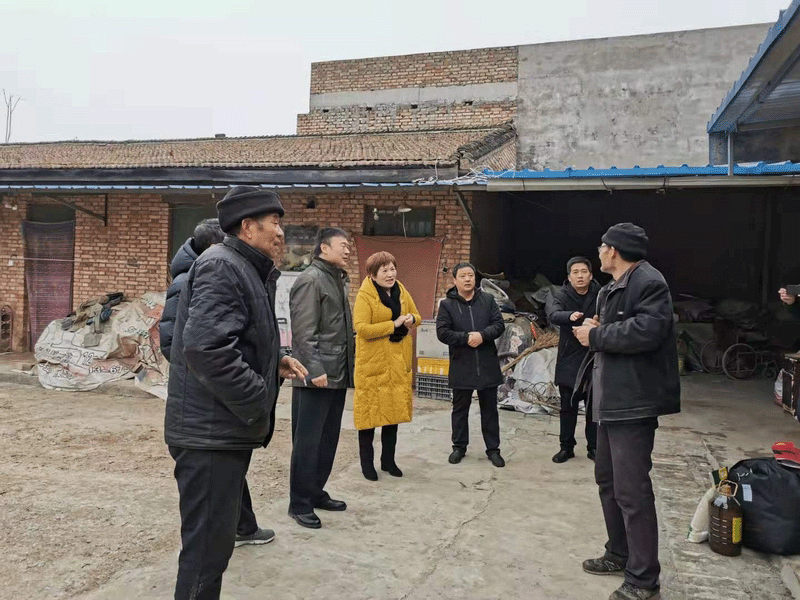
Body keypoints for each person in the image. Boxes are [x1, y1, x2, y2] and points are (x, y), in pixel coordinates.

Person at [164, 186, 307, 600]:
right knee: (205, 556)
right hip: (208, 435)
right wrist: (258, 397)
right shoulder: (222, 266)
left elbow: (237, 338)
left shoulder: (245, 267)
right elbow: (205, 349)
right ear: (247, 227)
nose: (281, 232)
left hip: (221, 430)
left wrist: (274, 361)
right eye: (274, 222)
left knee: (215, 549)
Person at [572, 223, 679, 600]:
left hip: (633, 402)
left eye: (602, 246)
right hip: (608, 400)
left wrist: (597, 335)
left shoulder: (649, 281)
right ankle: (618, 553)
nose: (599, 251)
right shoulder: (611, 288)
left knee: (633, 491)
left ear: (614, 250)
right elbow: (619, 327)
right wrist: (597, 327)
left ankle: (644, 580)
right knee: (608, 481)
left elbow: (649, 331)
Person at [160, 216, 276, 552]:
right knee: (205, 545)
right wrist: (254, 392)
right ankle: (244, 526)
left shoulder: (222, 271)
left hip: (221, 410)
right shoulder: (206, 274)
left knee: (229, 481)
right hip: (206, 409)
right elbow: (182, 344)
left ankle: (244, 526)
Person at [288, 227, 355, 529]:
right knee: (308, 442)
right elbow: (303, 332)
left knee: (327, 440)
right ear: (324, 248)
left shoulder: (336, 279)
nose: (347, 250)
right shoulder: (311, 280)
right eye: (343, 245)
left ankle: (315, 492)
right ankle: (299, 503)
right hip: (316, 376)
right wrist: (313, 370)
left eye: (349, 246)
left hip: (336, 373)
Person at [353, 251, 421, 481]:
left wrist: (411, 319)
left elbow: (417, 315)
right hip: (372, 364)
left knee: (393, 414)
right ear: (372, 274)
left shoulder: (400, 289)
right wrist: (393, 324)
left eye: (392, 269)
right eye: (384, 270)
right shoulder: (365, 295)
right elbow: (362, 328)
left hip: (396, 361)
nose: (390, 274)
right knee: (369, 416)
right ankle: (367, 464)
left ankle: (388, 461)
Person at [436, 262, 506, 468]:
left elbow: (499, 325)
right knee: (460, 409)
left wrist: (482, 336)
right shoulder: (447, 305)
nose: (467, 279)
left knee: (490, 410)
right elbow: (442, 332)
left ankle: (493, 450)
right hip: (462, 364)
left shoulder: (488, 300)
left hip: (486, 363)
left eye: (471, 275)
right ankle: (459, 447)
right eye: (463, 276)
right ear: (454, 280)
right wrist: (466, 338)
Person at [546, 256, 600, 463]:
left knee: (593, 406)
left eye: (584, 272)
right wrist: (570, 316)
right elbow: (553, 314)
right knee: (568, 406)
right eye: (575, 272)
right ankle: (566, 447)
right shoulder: (562, 295)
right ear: (569, 277)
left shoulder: (600, 294)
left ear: (591, 275)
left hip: (594, 355)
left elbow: (611, 316)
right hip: (569, 356)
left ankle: (594, 447)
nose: (580, 276)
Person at [160, 218, 224, 362]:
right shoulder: (184, 283)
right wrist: (197, 368)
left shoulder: (212, 277)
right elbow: (169, 342)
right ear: (212, 248)